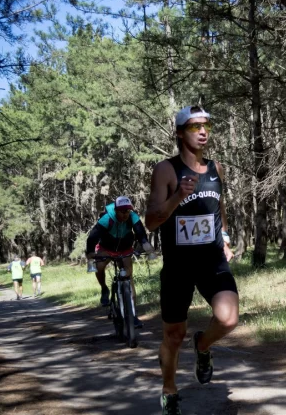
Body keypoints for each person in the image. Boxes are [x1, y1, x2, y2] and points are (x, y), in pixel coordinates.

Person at [145, 105, 238, 415]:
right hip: (178, 266)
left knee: (228, 319)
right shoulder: (166, 170)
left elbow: (218, 206)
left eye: (206, 126)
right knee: (173, 334)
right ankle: (169, 390)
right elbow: (151, 221)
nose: (202, 132)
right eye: (194, 127)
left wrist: (224, 238)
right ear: (179, 133)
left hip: (212, 259)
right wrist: (177, 198)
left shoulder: (216, 168)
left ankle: (203, 345)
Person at [85, 195, 152, 329]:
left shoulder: (132, 217)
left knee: (129, 276)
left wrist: (146, 245)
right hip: (106, 248)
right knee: (99, 267)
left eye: (127, 211)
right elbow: (92, 237)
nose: (125, 214)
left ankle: (133, 315)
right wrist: (90, 253)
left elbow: (140, 233)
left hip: (125, 249)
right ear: (116, 210)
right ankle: (104, 288)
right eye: (122, 211)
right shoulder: (107, 219)